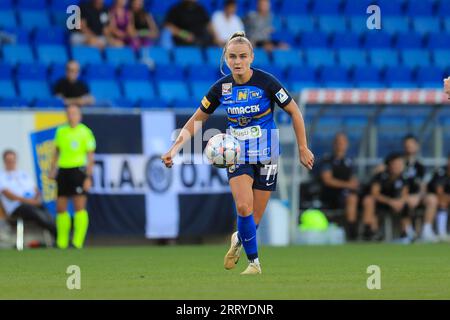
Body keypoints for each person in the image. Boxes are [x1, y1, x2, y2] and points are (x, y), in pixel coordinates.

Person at [161, 31, 314, 275]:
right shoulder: (221, 88)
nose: (238, 61)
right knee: (244, 207)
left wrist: (302, 147)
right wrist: (175, 147)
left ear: (252, 57)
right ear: (226, 58)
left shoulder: (267, 82)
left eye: (243, 56)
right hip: (237, 154)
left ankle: (239, 239)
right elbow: (197, 119)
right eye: (232, 56)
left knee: (252, 222)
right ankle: (254, 263)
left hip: (267, 154)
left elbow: (295, 112)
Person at [49, 105, 96, 249]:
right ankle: (61, 242)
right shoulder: (61, 131)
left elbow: (90, 157)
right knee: (61, 207)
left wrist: (88, 177)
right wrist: (52, 169)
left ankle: (77, 242)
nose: (71, 116)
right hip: (63, 171)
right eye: (69, 113)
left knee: (79, 207)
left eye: (74, 113)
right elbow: (56, 152)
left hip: (78, 171)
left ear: (79, 115)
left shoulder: (85, 132)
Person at [0, 150, 56, 241]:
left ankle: (59, 236)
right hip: (16, 207)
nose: (11, 163)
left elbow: (36, 190)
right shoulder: (1, 176)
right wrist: (30, 201)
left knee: (48, 211)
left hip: (32, 203)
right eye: (8, 160)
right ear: (4, 161)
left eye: (13, 160)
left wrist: (35, 199)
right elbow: (9, 195)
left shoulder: (23, 174)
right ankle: (58, 236)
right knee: (36, 213)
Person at [362, 153, 415, 243]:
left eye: (400, 164)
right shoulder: (381, 176)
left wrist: (399, 202)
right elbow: (374, 193)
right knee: (368, 200)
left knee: (407, 203)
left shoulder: (404, 177)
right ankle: (371, 232)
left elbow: (404, 194)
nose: (398, 166)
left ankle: (405, 233)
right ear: (389, 165)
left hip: (396, 204)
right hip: (381, 203)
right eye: (395, 164)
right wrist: (390, 202)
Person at [319, 133, 359, 241]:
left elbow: (353, 179)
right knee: (352, 198)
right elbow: (327, 180)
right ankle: (352, 233)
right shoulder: (328, 160)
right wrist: (347, 185)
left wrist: (353, 184)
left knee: (367, 199)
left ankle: (370, 231)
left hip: (347, 193)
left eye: (343, 142)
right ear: (334, 144)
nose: (340, 145)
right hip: (331, 195)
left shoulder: (350, 161)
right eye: (338, 142)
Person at [402, 134, 438, 242]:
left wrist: (418, 196)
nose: (409, 147)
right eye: (407, 145)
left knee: (432, 199)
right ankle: (408, 232)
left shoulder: (420, 165)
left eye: (412, 144)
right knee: (405, 201)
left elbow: (423, 184)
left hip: (417, 196)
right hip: (401, 195)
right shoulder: (398, 162)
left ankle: (426, 230)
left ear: (417, 146)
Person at [428, 155, 450, 241]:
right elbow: (439, 192)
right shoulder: (441, 172)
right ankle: (442, 233)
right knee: (442, 202)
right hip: (436, 198)